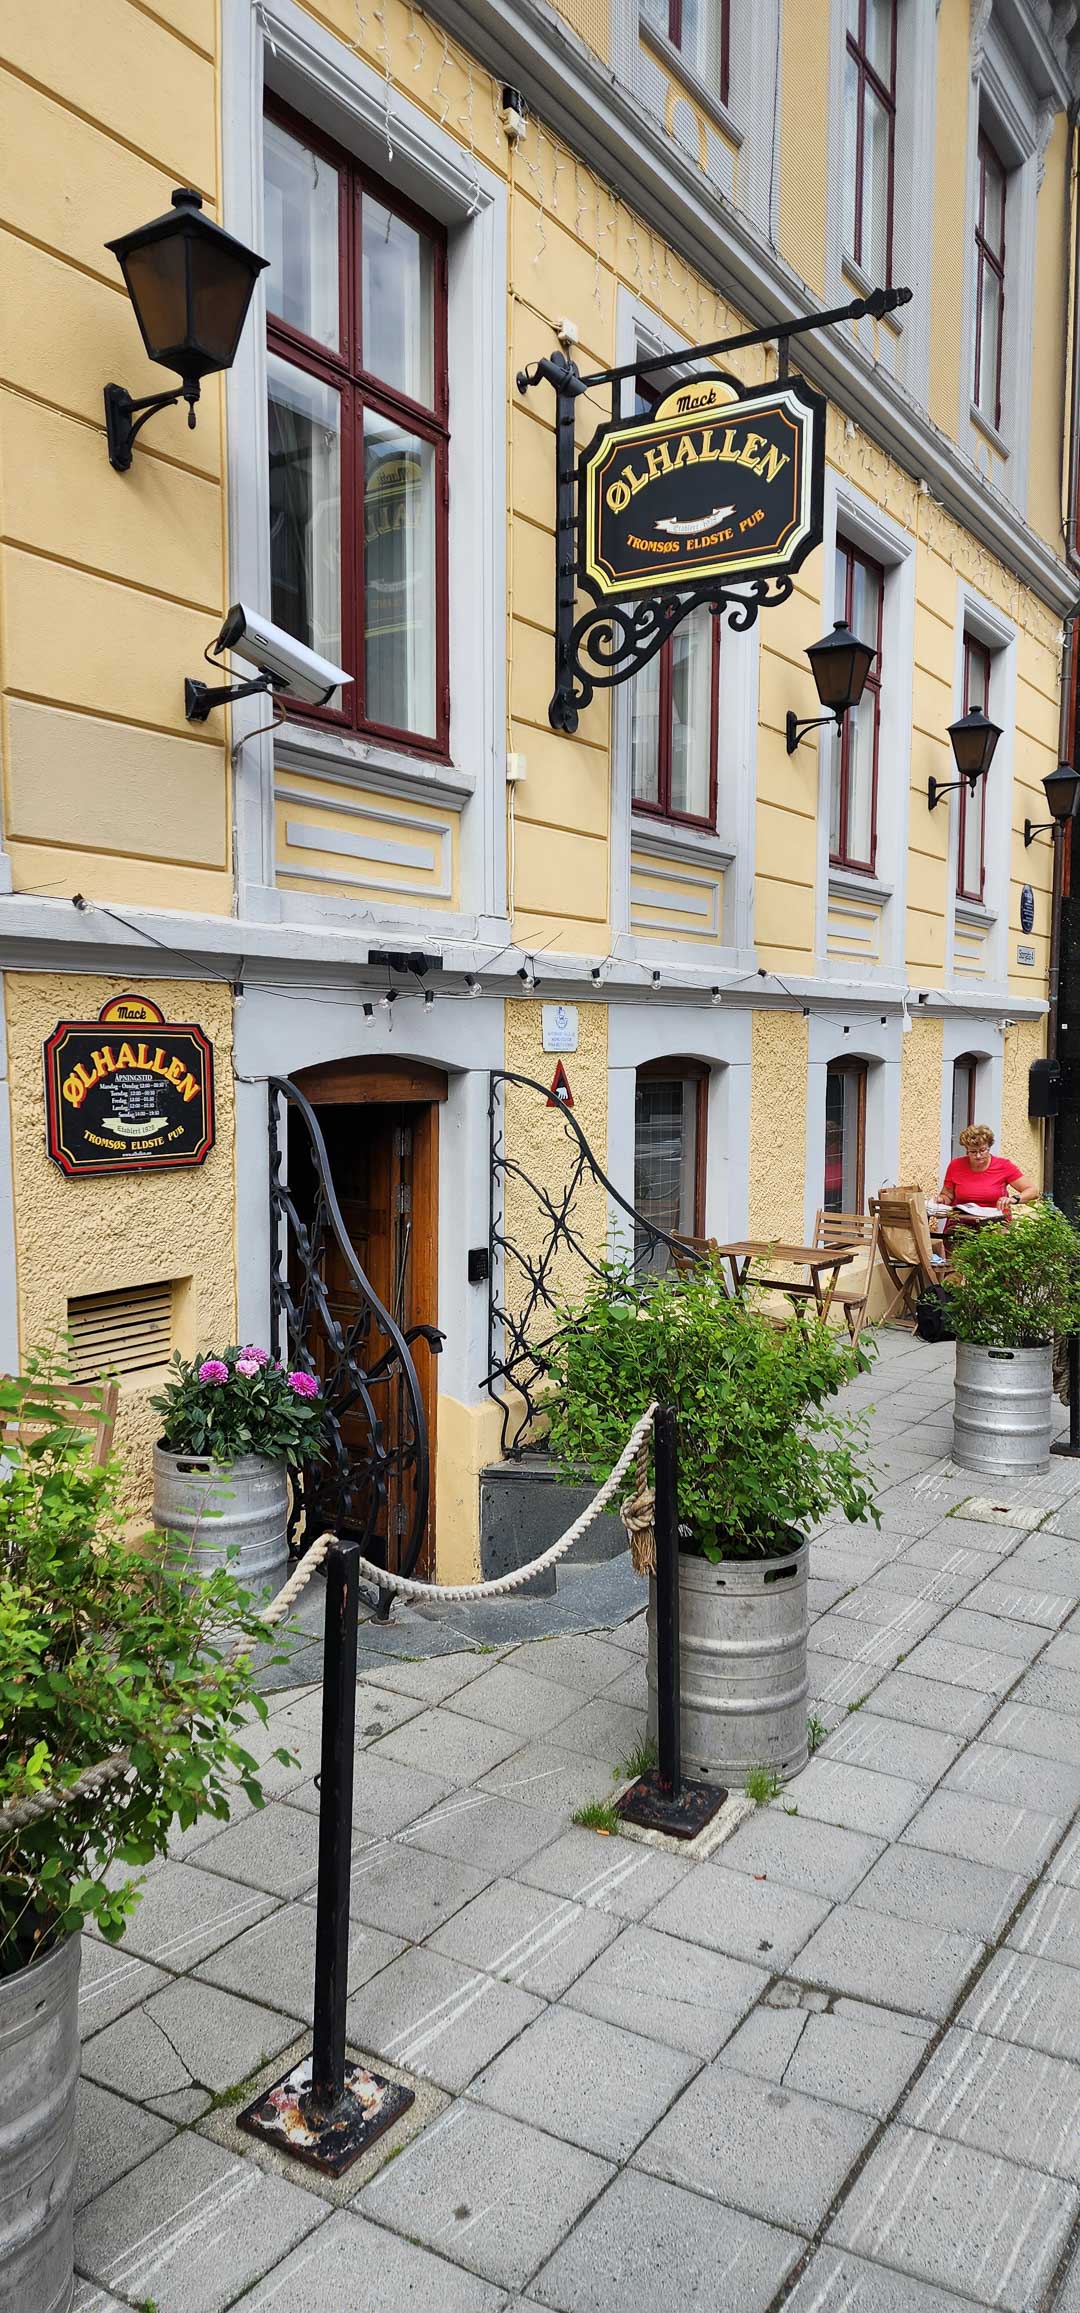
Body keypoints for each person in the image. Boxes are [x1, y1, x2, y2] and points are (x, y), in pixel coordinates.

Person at [936, 1123, 1038, 1225]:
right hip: (961, 1223)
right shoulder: (956, 1165)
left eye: (982, 1150)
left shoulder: (1003, 1166)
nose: (978, 1155)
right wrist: (941, 1200)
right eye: (973, 1152)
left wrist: (1012, 1199)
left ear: (989, 1147)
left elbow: (1032, 1191)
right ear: (966, 1149)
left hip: (994, 1224)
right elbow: (947, 1195)